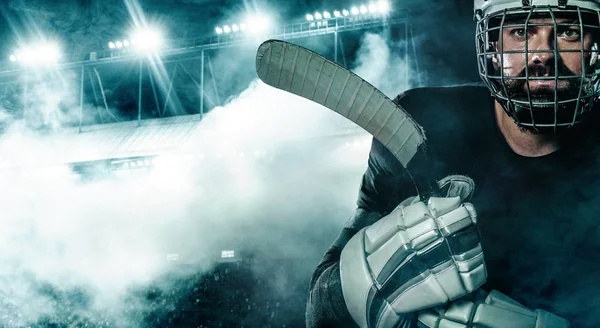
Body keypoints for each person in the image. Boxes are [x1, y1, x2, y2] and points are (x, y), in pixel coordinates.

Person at [306, 0, 600, 327]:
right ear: (492, 44)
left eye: (569, 33)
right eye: (521, 32)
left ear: (592, 46)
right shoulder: (419, 129)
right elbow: (319, 309)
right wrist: (360, 279)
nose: (544, 54)